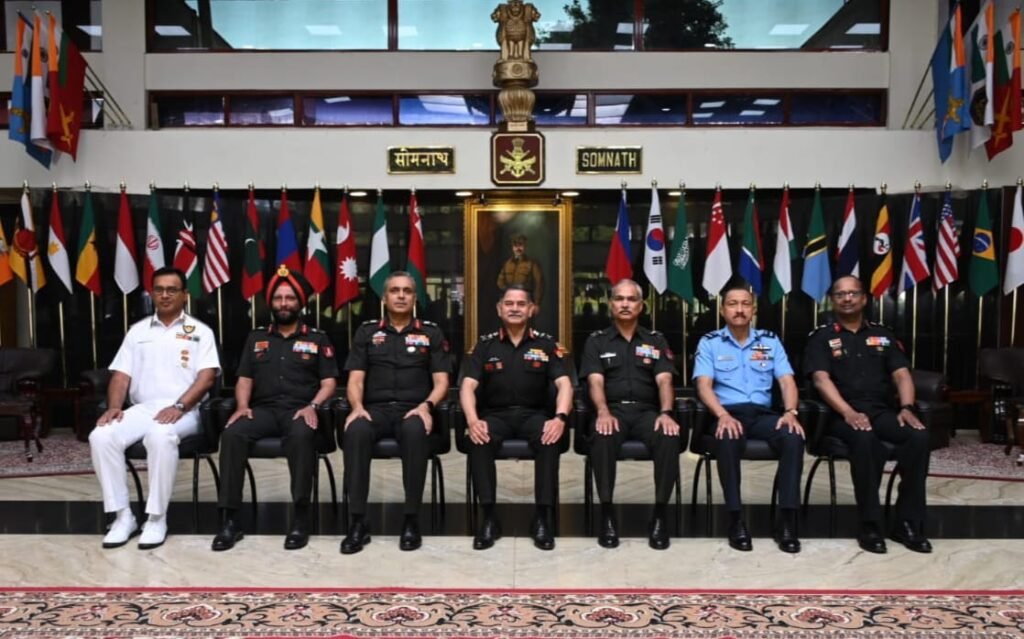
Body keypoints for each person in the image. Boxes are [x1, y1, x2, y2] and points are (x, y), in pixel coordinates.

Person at [89, 267, 219, 550]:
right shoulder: (137, 331)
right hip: (144, 408)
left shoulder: (200, 332)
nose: (165, 295)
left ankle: (157, 518)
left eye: (172, 290)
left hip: (186, 410)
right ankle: (123, 516)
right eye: (159, 289)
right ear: (152, 294)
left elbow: (207, 377)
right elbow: (121, 375)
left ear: (185, 295)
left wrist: (180, 405)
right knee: (101, 435)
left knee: (160, 436)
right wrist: (114, 407)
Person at [211, 265, 338, 552]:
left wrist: (313, 406)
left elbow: (329, 382)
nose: (283, 303)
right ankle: (230, 520)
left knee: (302, 435)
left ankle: (300, 518)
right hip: (263, 411)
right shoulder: (256, 338)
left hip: (299, 410)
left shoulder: (317, 338)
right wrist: (242, 406)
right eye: (278, 298)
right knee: (232, 434)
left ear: (300, 302)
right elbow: (245, 379)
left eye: (289, 298)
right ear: (271, 302)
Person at [804, 275, 932, 554]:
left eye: (853, 293)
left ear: (864, 299)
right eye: (840, 294)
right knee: (864, 439)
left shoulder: (883, 335)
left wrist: (907, 408)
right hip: (839, 415)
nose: (847, 298)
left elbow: (902, 375)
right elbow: (821, 380)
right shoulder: (821, 337)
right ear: (832, 300)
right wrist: (848, 412)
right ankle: (870, 524)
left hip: (881, 411)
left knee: (918, 437)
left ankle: (907, 522)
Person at [341, 271, 451, 554]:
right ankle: (358, 521)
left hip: (413, 409)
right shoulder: (367, 332)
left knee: (415, 430)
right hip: (375, 410)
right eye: (394, 290)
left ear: (415, 298)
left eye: (407, 291)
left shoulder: (431, 333)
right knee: (356, 431)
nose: (401, 296)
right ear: (384, 297)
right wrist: (357, 408)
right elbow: (355, 380)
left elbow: (442, 382)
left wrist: (426, 406)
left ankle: (411, 519)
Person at [460, 285, 573, 551]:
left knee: (549, 439)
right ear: (499, 309)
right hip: (496, 416)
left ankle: (542, 517)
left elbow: (565, 384)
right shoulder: (484, 345)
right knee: (479, 440)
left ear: (532, 309)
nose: (514, 308)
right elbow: (466, 387)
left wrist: (559, 418)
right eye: (509, 304)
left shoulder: (546, 345)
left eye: (521, 304)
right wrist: (473, 421)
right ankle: (489, 517)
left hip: (534, 415)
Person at [693, 284, 804, 553]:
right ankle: (736, 519)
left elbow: (787, 381)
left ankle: (786, 521)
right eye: (732, 304)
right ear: (722, 310)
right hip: (728, 413)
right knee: (728, 436)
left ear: (753, 310)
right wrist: (722, 415)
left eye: (745, 304)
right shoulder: (710, 342)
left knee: (793, 437)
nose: (739, 309)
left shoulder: (770, 341)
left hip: (763, 415)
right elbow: (703, 386)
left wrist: (791, 412)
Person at [579, 279, 681, 550]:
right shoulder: (596, 341)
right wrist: (602, 412)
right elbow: (595, 381)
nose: (625, 304)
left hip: (647, 412)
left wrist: (666, 413)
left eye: (631, 299)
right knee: (602, 436)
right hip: (612, 410)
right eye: (619, 299)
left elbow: (664, 380)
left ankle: (660, 515)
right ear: (611, 304)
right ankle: (607, 513)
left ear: (641, 305)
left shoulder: (655, 340)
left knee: (668, 437)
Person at [496, 235, 543, 313]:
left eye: (520, 245)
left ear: (525, 246)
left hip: (526, 300)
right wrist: (508, 292)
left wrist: (537, 303)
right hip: (510, 300)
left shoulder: (532, 264)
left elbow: (539, 283)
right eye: (515, 246)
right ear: (512, 248)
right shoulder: (507, 264)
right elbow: (500, 281)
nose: (518, 248)